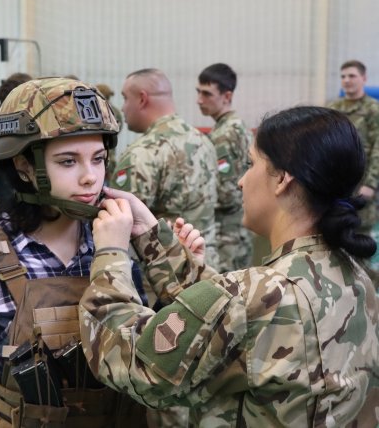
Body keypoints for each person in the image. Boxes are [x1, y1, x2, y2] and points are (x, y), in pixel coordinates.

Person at [80, 106, 379, 427]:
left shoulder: (250, 296)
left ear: (282, 179)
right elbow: (225, 318)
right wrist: (153, 237)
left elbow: (133, 362)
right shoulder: (355, 275)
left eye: (250, 165)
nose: (239, 181)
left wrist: (111, 252)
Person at [0, 77, 147, 427]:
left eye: (98, 159)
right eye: (68, 162)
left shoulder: (116, 248)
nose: (90, 178)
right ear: (23, 167)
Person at [113, 68, 218, 266]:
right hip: (207, 265)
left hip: (166, 276)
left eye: (126, 98)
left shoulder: (142, 153)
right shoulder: (205, 142)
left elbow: (121, 227)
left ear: (142, 99)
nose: (123, 107)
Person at [197, 63, 252, 271]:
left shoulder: (225, 134)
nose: (199, 100)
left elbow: (227, 193)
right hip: (238, 229)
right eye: (198, 92)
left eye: (207, 94)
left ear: (226, 96)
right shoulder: (235, 126)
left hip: (228, 233)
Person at [327, 60, 379, 236]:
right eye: (343, 76)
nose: (347, 80)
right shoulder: (333, 108)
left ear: (363, 78)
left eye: (352, 76)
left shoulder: (373, 110)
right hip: (335, 183)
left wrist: (370, 184)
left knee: (360, 236)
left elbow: (378, 150)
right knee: (334, 234)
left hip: (362, 184)